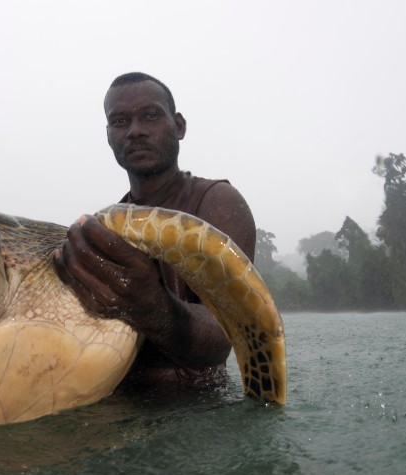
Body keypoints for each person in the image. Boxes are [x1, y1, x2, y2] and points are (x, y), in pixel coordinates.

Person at [54, 72, 257, 387]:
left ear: (178, 126)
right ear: (108, 136)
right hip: (116, 409)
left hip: (197, 409)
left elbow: (226, 335)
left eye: (150, 116)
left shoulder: (216, 201)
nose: (135, 131)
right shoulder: (102, 227)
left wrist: (152, 304)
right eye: (120, 121)